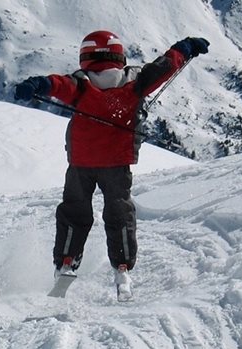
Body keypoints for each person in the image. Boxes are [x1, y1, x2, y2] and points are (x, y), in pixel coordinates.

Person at [14, 31, 209, 298]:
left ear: (86, 56)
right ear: (119, 55)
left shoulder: (80, 84)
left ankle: (66, 263)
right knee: (120, 214)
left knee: (74, 212)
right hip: (117, 163)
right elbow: (164, 66)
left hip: (81, 163)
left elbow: (55, 84)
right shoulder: (136, 80)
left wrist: (36, 84)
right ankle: (123, 268)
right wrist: (185, 48)